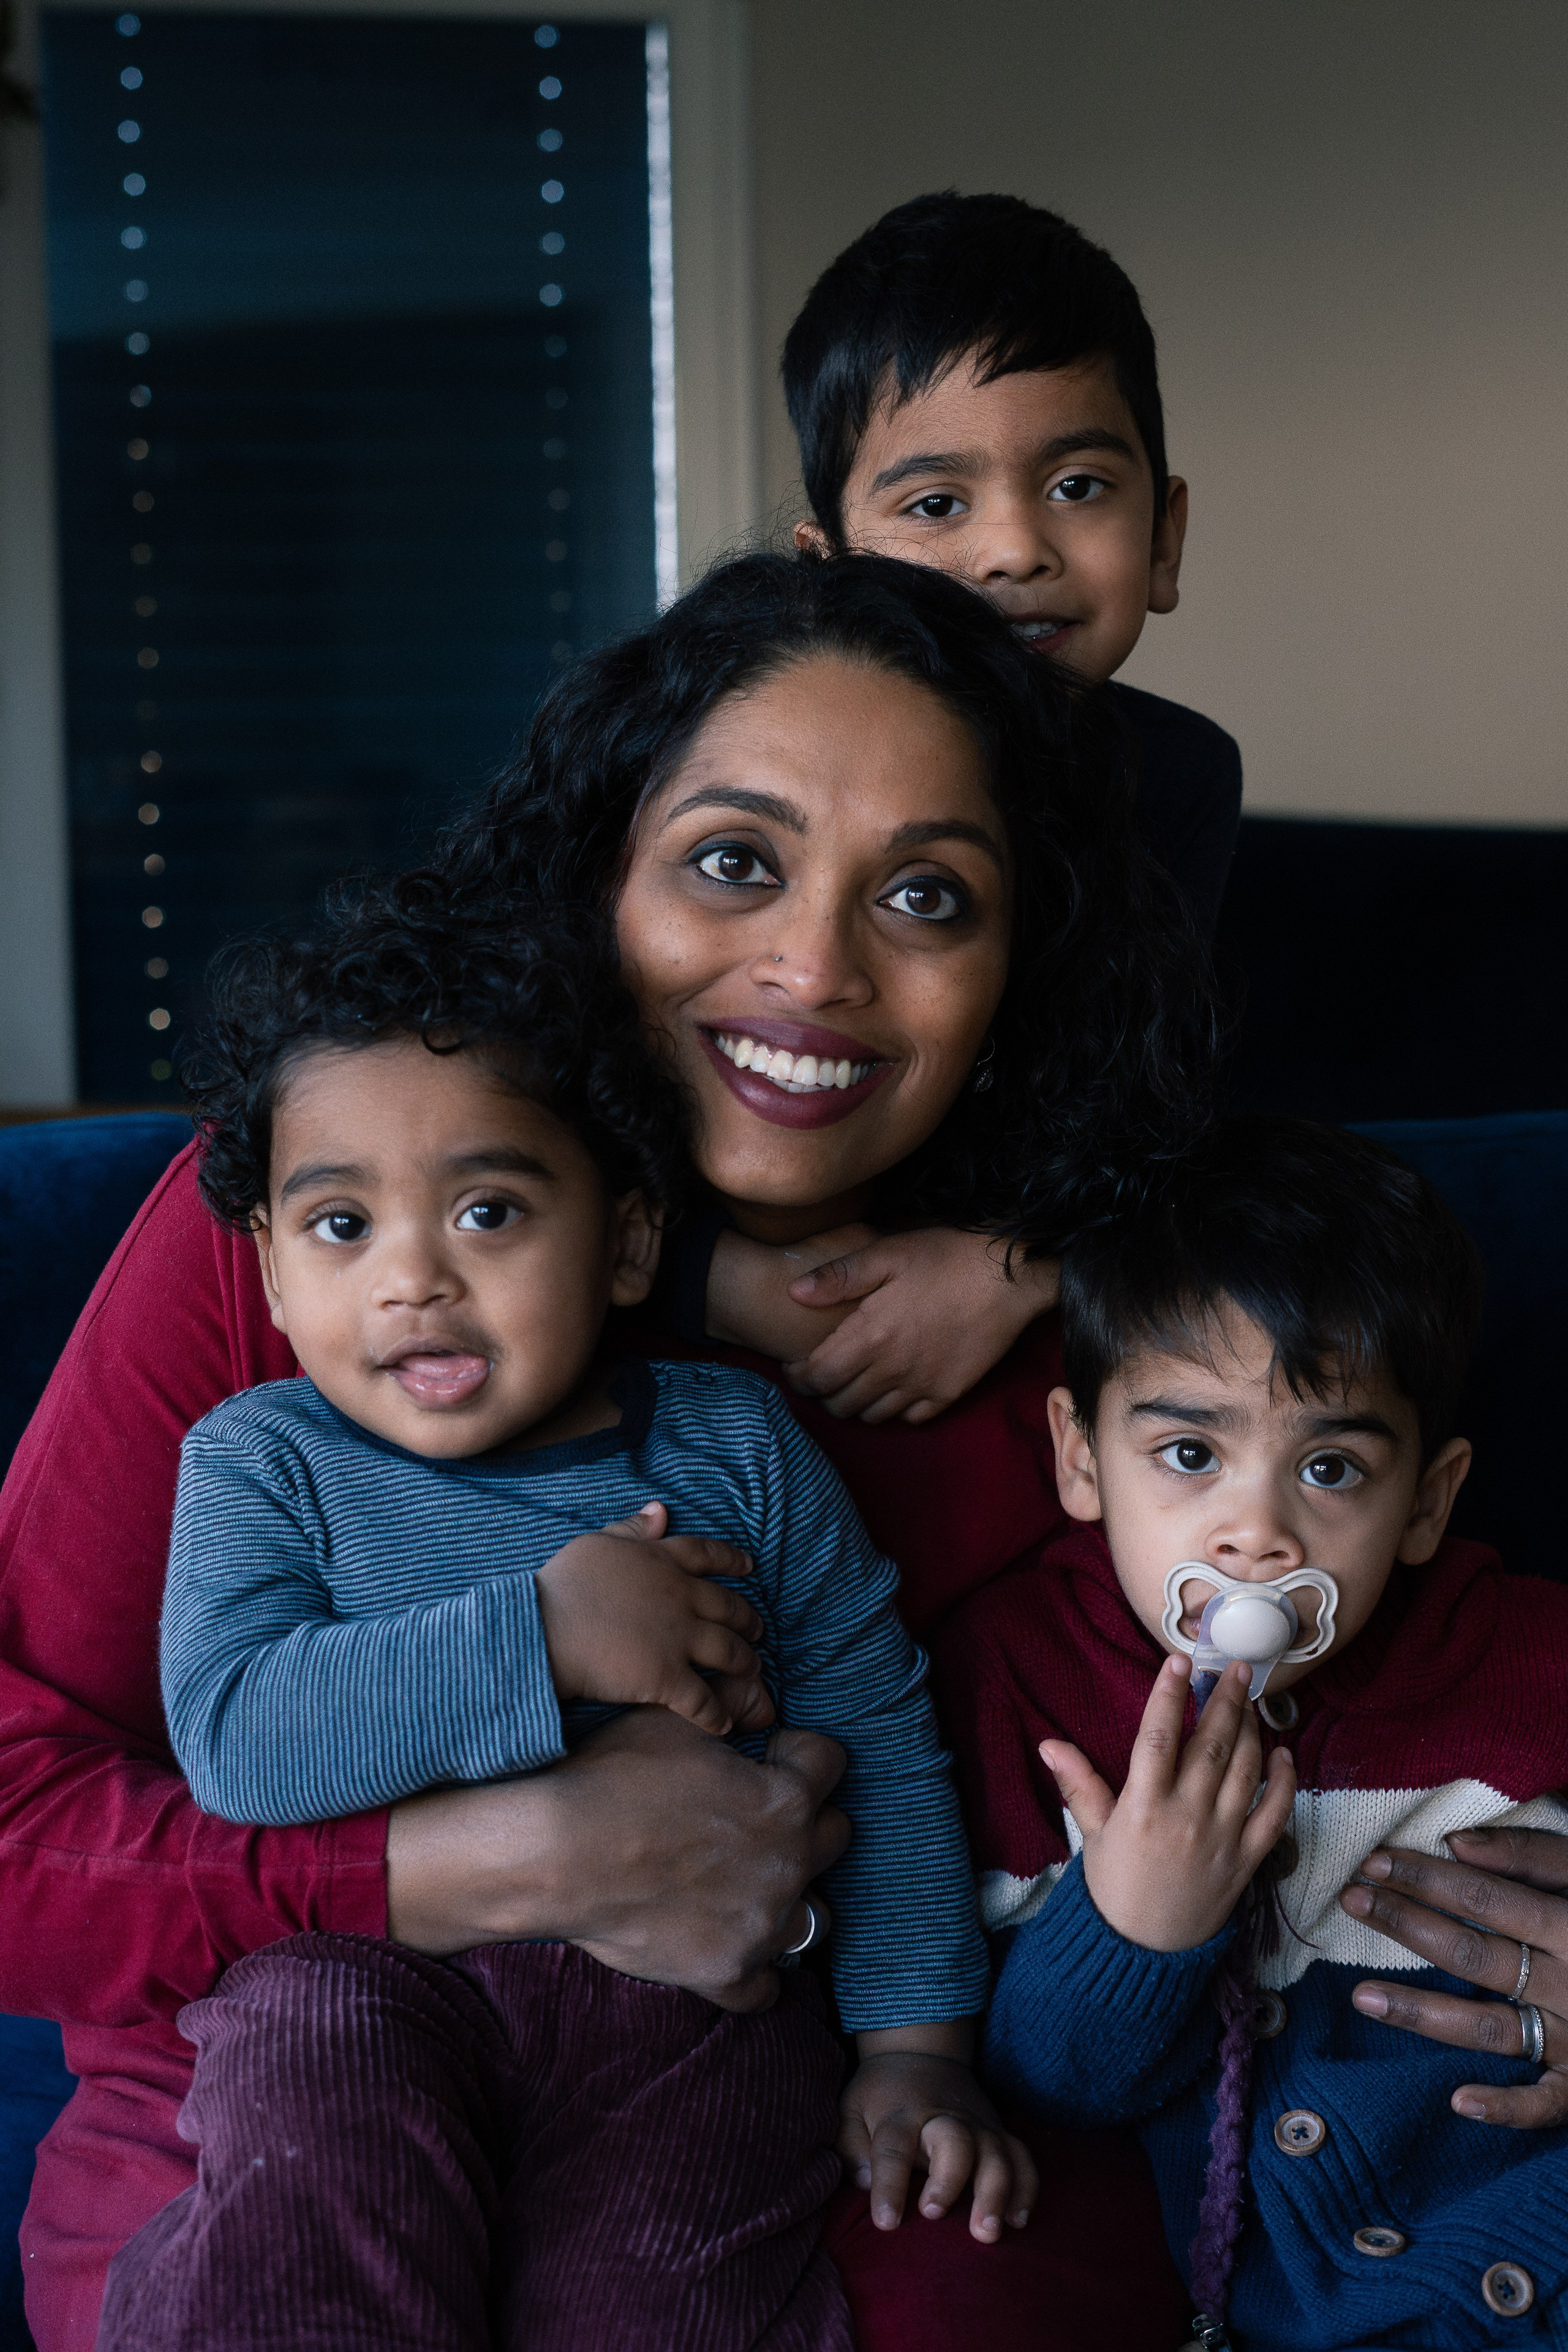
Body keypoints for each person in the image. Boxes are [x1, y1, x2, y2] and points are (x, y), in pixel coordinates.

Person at [1, 549, 1208, 2352]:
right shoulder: (316, 1242)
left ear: (1019, 968)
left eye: (926, 897)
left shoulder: (1072, 1358)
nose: (814, 966)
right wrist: (499, 1861)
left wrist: (1049, 1260)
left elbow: (1228, 1782)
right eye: (731, 861)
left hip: (732, 2102)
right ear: (596, 876)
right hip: (289, 2063)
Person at [97, 882, 1023, 2350]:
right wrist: (537, 1637)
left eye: (489, 1211)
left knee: (665, 2301)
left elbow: (878, 1742)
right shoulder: (261, 1460)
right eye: (340, 1224)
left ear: (627, 1243)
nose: (413, 1276)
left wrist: (915, 2048)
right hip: (369, 1989)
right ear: (270, 1270)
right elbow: (238, 1737)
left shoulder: (733, 1447)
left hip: (689, 2021)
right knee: (300, 2169)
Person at [935, 1117, 1568, 2350]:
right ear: (1080, 1458)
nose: (1256, 1535)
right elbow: (1043, 2087)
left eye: (1330, 1471)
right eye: (1188, 1453)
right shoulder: (1019, 1677)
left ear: (1426, 1502)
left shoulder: (1526, 1656)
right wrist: (1134, 1929)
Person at [703, 190, 1243, 1426]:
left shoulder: (1175, 776)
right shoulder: (729, 763)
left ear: (1163, 540)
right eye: (936, 504)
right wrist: (715, 1281)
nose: (1013, 550)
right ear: (828, 571)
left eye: (1078, 485)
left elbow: (1155, 1108)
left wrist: (1013, 1263)